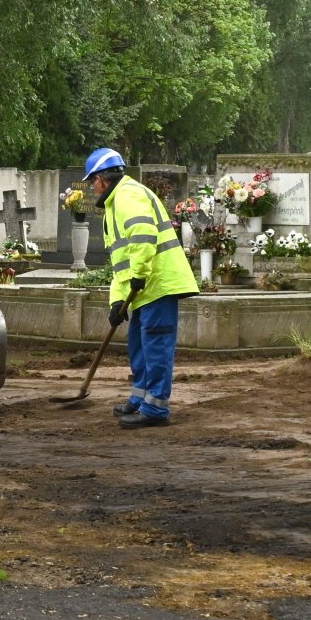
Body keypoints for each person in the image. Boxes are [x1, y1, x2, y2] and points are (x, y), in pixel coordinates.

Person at [86, 147, 199, 428]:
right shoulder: (115, 204)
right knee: (139, 345)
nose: (91, 189)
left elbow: (143, 237)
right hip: (144, 289)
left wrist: (139, 275)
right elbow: (120, 262)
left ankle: (156, 409)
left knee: (156, 346)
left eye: (92, 182)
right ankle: (140, 399)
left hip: (158, 285)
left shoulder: (128, 195)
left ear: (101, 179)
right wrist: (116, 300)